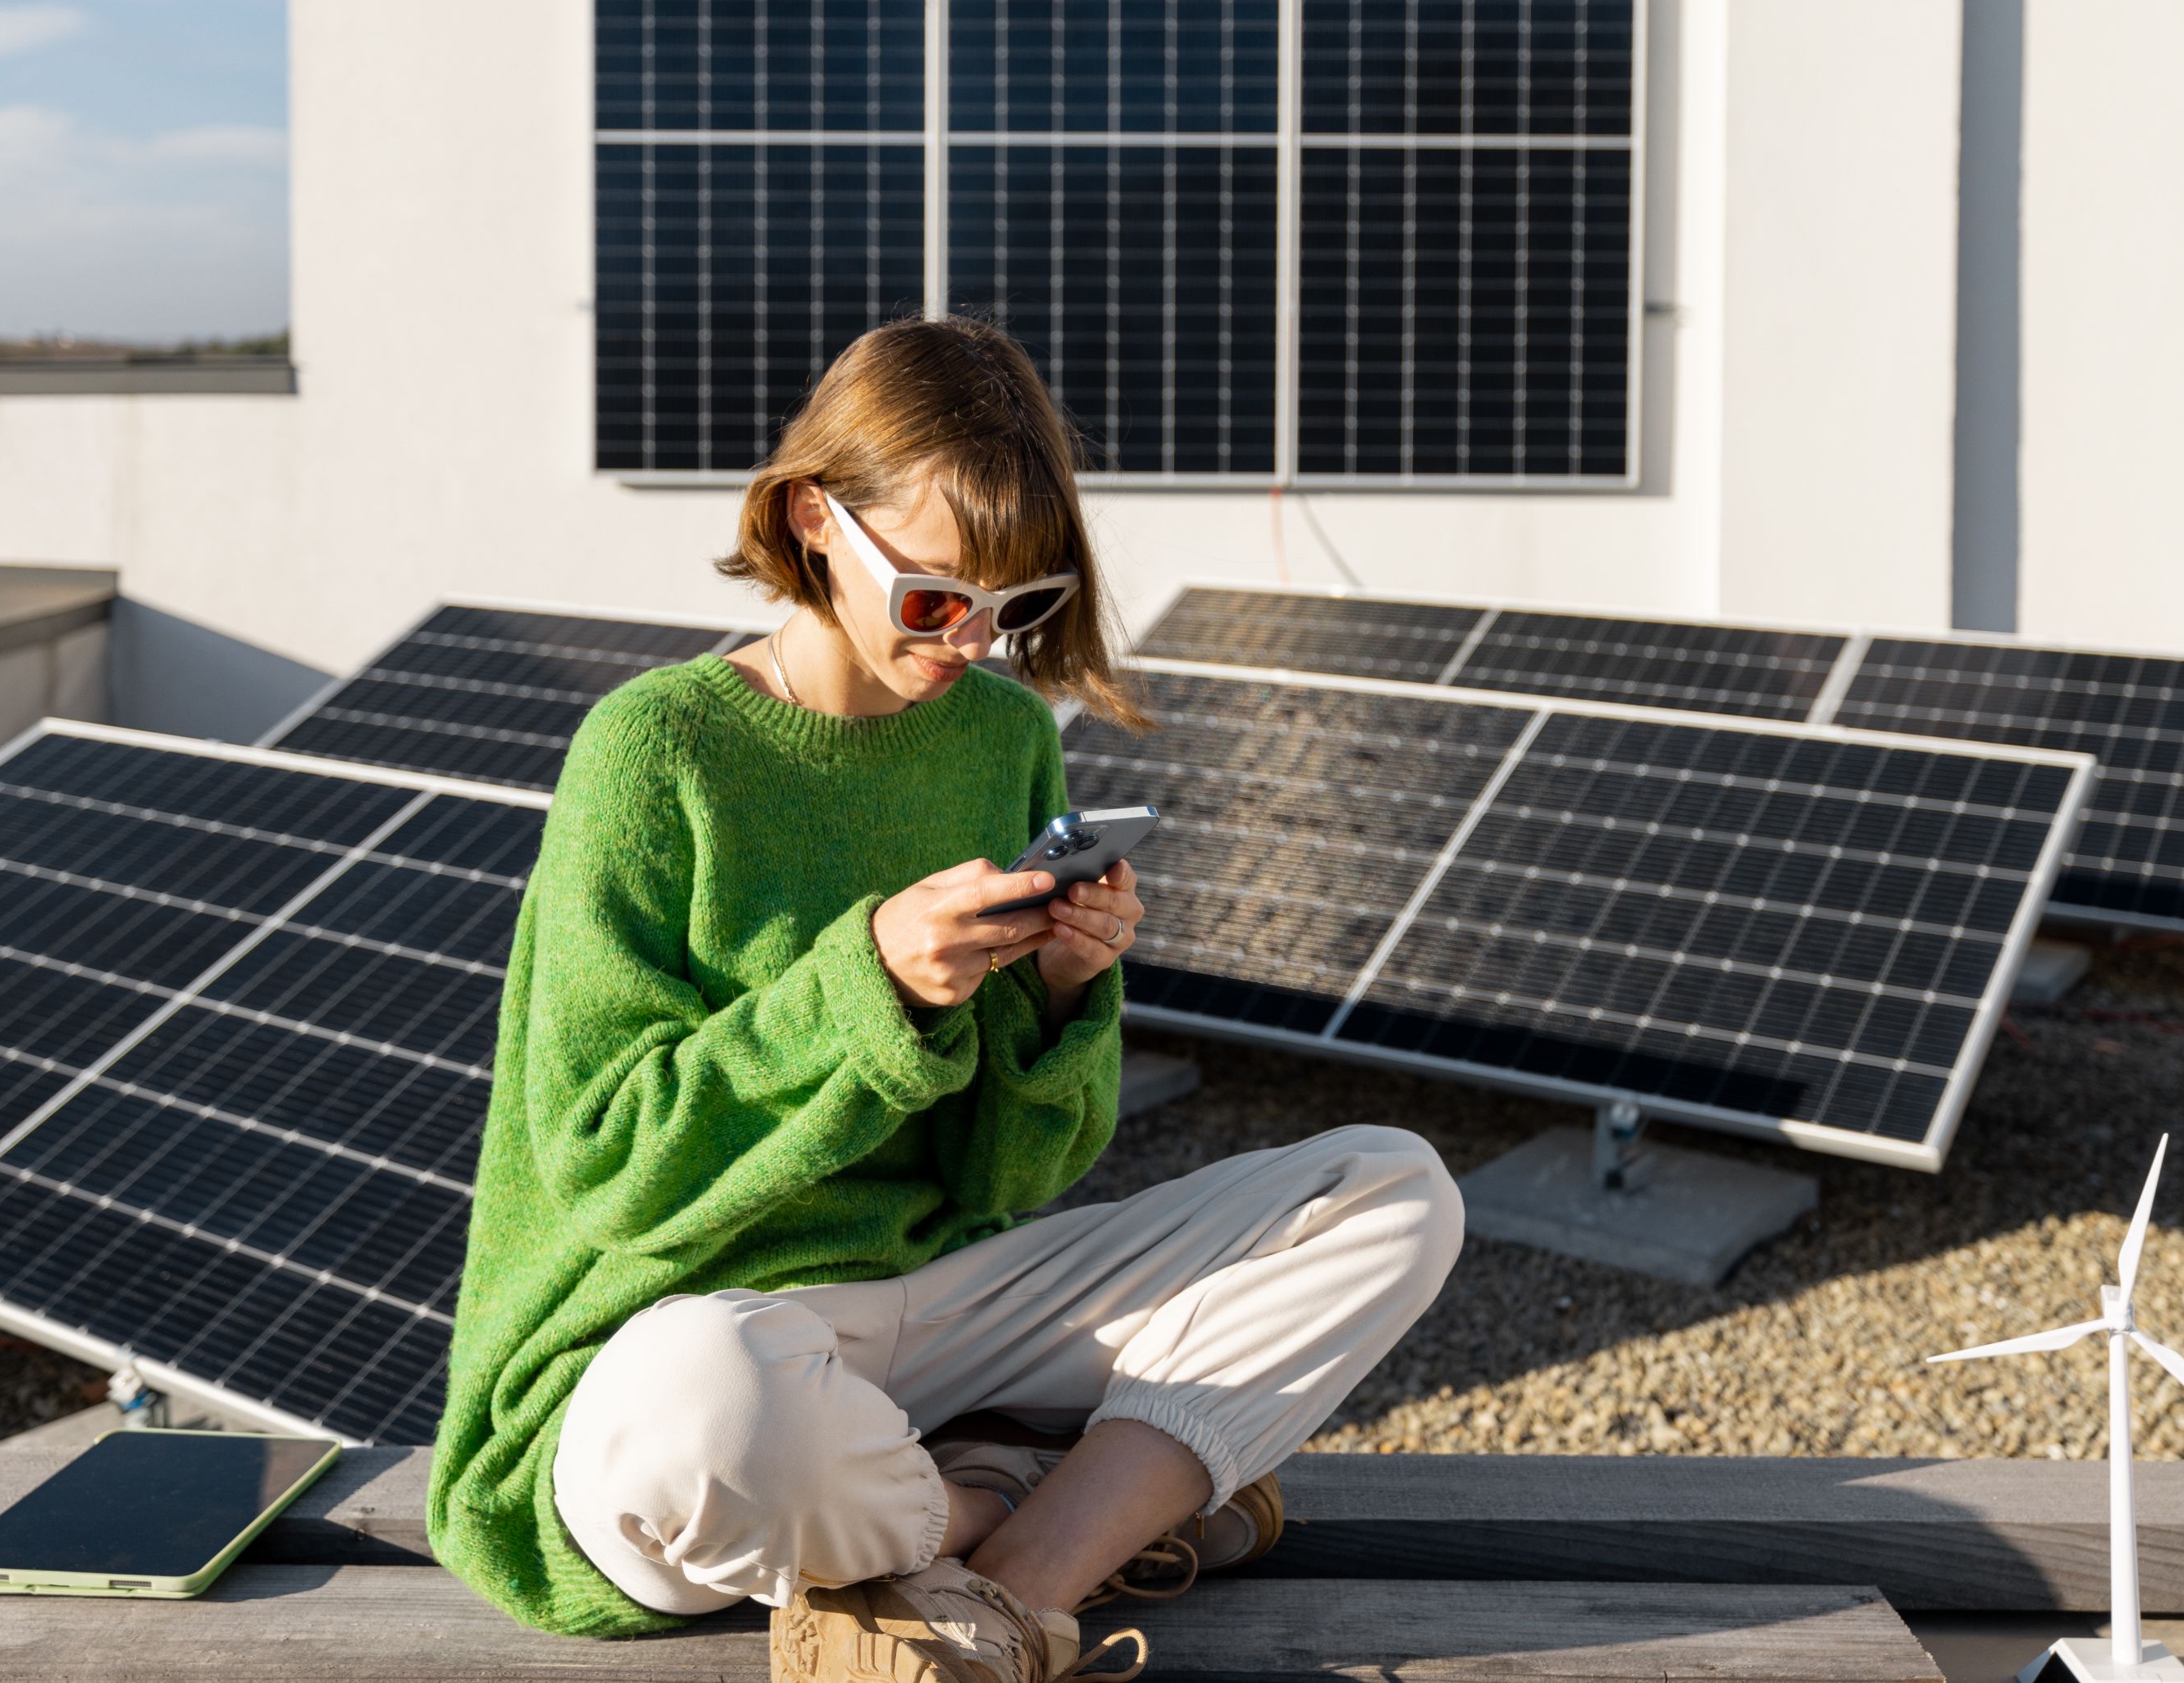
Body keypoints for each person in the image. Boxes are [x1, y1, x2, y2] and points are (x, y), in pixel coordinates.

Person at [427, 316, 1465, 1683]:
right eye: (934, 601)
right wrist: (867, 983)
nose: (973, 643)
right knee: (705, 1410)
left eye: (1016, 606)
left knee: (1392, 1189)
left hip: (938, 1313)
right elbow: (603, 1164)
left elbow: (1009, 1183)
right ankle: (1021, 1500)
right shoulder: (654, 751)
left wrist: (1060, 996)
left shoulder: (1003, 738)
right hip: (687, 1325)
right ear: (814, 519)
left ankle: (1014, 1586)